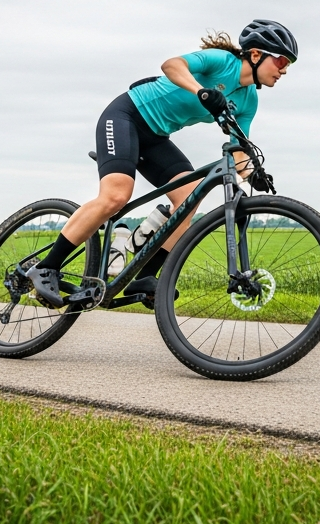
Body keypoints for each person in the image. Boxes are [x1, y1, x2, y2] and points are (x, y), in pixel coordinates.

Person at [25, 19, 299, 308]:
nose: (283, 69)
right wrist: (201, 91)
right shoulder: (222, 62)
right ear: (255, 55)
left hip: (155, 137)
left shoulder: (248, 101)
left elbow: (238, 148)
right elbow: (171, 65)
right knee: (116, 195)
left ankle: (146, 275)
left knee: (190, 198)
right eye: (281, 60)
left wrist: (253, 174)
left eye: (288, 65)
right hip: (127, 115)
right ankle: (46, 267)